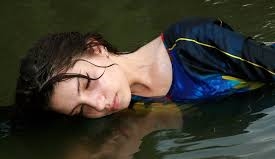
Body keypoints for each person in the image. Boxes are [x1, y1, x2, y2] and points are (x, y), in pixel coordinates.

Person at [15, 17, 275, 119]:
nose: (99, 104)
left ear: (96, 48)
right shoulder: (128, 103)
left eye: (88, 83)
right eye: (81, 110)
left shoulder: (193, 42)